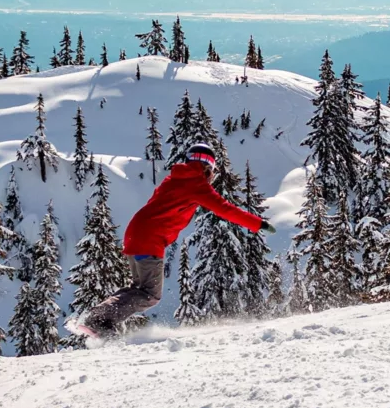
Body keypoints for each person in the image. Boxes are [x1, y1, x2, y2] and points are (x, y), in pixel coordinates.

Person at [75, 143, 275, 338]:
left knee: (138, 289)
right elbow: (224, 209)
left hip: (135, 233)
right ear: (208, 168)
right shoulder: (197, 184)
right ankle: (99, 319)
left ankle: (100, 318)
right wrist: (258, 224)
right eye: (213, 171)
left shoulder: (173, 178)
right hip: (149, 239)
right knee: (150, 294)